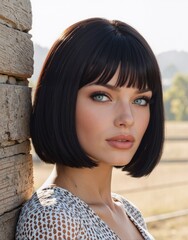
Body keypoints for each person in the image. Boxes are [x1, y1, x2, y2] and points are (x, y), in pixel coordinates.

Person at [15, 18, 164, 240]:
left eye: (140, 100)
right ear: (61, 101)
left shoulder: (128, 211)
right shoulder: (54, 220)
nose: (127, 118)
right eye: (102, 96)